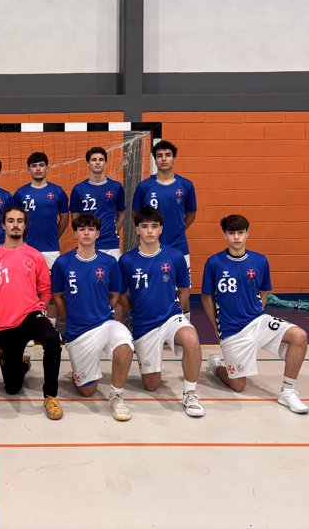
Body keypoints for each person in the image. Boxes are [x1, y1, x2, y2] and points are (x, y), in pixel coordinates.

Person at [201, 214, 309, 414]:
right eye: (231, 233)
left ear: (247, 234)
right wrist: (216, 327)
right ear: (224, 235)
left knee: (299, 336)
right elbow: (206, 297)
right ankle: (216, 367)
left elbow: (264, 291)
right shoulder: (214, 262)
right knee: (238, 385)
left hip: (257, 321)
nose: (236, 237)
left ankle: (287, 391)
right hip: (232, 329)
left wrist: (258, 312)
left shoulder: (260, 260)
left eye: (240, 232)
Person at [118, 207, 204, 417]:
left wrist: (177, 312)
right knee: (151, 385)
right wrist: (136, 310)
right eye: (145, 226)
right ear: (137, 229)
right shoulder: (127, 261)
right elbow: (120, 295)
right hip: (143, 324)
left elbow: (184, 289)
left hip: (170, 317)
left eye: (154, 226)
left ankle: (190, 393)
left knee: (191, 337)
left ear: (161, 229)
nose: (150, 231)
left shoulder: (174, 256)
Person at [51, 214, 134, 421]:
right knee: (88, 391)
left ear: (97, 234)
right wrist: (66, 317)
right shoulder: (63, 262)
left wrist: (105, 310)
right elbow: (57, 295)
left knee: (125, 343)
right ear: (76, 234)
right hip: (78, 332)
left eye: (90, 229)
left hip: (105, 323)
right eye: (82, 229)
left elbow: (115, 293)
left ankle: (116, 396)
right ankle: (81, 372)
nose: (86, 233)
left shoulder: (109, 262)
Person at [0, 206, 64, 420]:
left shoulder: (35, 256)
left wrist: (39, 307)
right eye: (11, 221)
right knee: (12, 388)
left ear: (25, 225)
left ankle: (50, 396)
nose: (15, 225)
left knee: (52, 339)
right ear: (3, 225)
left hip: (31, 315)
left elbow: (45, 289)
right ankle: (22, 362)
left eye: (20, 221)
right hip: (5, 324)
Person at [132, 140, 197, 320]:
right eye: (159, 155)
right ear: (155, 159)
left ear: (174, 158)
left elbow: (191, 214)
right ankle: (152, 324)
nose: (163, 159)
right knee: (153, 286)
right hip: (151, 248)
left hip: (178, 246)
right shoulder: (144, 186)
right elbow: (136, 215)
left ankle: (183, 323)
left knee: (183, 287)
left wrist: (179, 230)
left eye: (168, 155)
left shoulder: (186, 185)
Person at [13, 151, 69, 269]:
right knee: (27, 280)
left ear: (47, 167)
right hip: (26, 248)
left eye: (41, 165)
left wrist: (54, 236)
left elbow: (64, 219)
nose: (38, 169)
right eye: (34, 166)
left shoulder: (58, 191)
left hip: (51, 249)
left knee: (51, 280)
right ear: (28, 169)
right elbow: (14, 221)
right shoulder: (20, 193)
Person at [69, 146, 126, 259]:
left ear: (105, 163)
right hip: (88, 245)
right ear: (88, 163)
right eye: (94, 160)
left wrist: (114, 231)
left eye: (101, 159)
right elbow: (75, 218)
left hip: (111, 245)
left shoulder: (116, 187)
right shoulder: (78, 189)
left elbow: (121, 213)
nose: (97, 162)